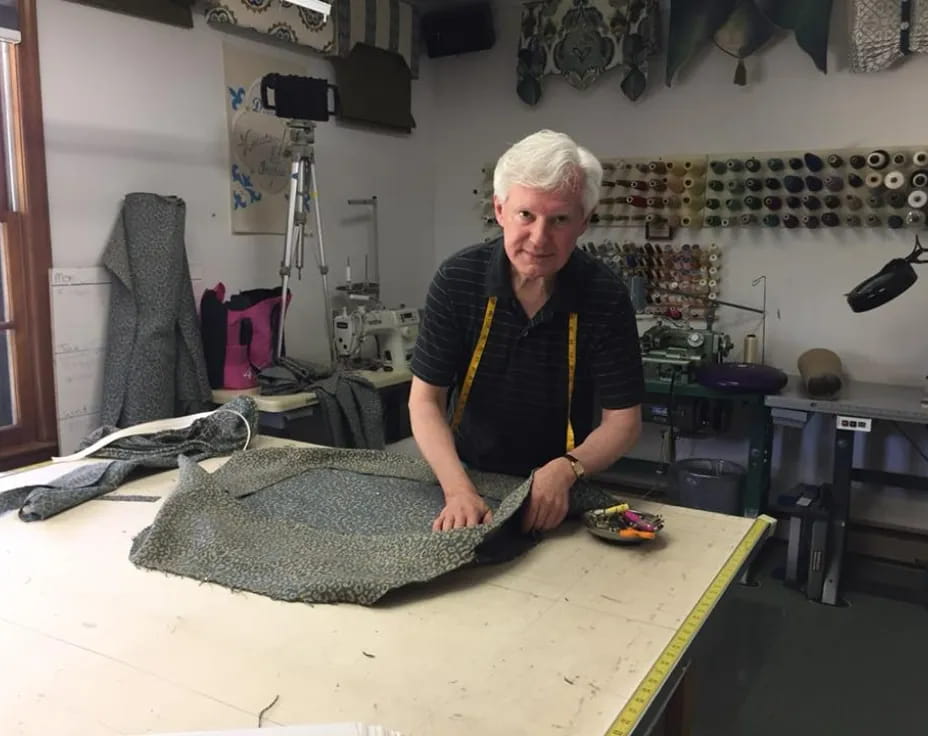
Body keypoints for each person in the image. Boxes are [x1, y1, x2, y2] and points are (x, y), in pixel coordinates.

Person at [409, 129, 644, 533]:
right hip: (466, 475)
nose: (538, 238)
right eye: (526, 215)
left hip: (561, 485)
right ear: (499, 209)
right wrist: (457, 490)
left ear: (583, 223)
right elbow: (425, 401)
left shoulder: (604, 295)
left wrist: (566, 470)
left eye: (559, 220)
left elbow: (624, 422)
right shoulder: (458, 279)